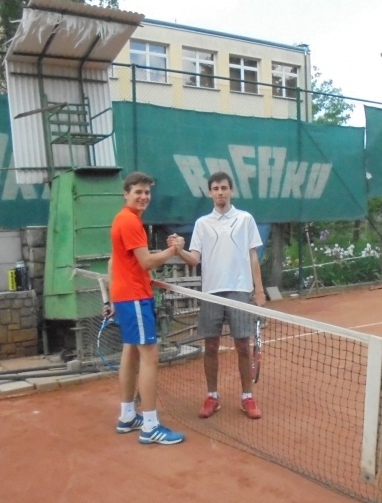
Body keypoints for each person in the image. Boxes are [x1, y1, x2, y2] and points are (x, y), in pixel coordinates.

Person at [169, 171, 266, 420]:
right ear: (210, 192)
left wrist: (260, 291)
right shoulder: (202, 224)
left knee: (243, 346)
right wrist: (178, 251)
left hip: (240, 290)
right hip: (211, 292)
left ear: (231, 190)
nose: (220, 192)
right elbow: (194, 258)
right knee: (210, 346)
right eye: (215, 188)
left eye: (224, 187)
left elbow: (253, 257)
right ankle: (212, 396)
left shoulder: (245, 219)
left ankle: (247, 397)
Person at [108, 171, 185, 445]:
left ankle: (128, 416)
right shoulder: (129, 221)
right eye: (138, 192)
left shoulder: (124, 219)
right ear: (126, 193)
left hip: (126, 295)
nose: (143, 197)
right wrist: (174, 250)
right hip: (134, 298)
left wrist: (112, 298)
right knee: (150, 356)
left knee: (130, 351)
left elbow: (116, 262)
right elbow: (147, 262)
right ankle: (150, 426)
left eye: (147, 192)